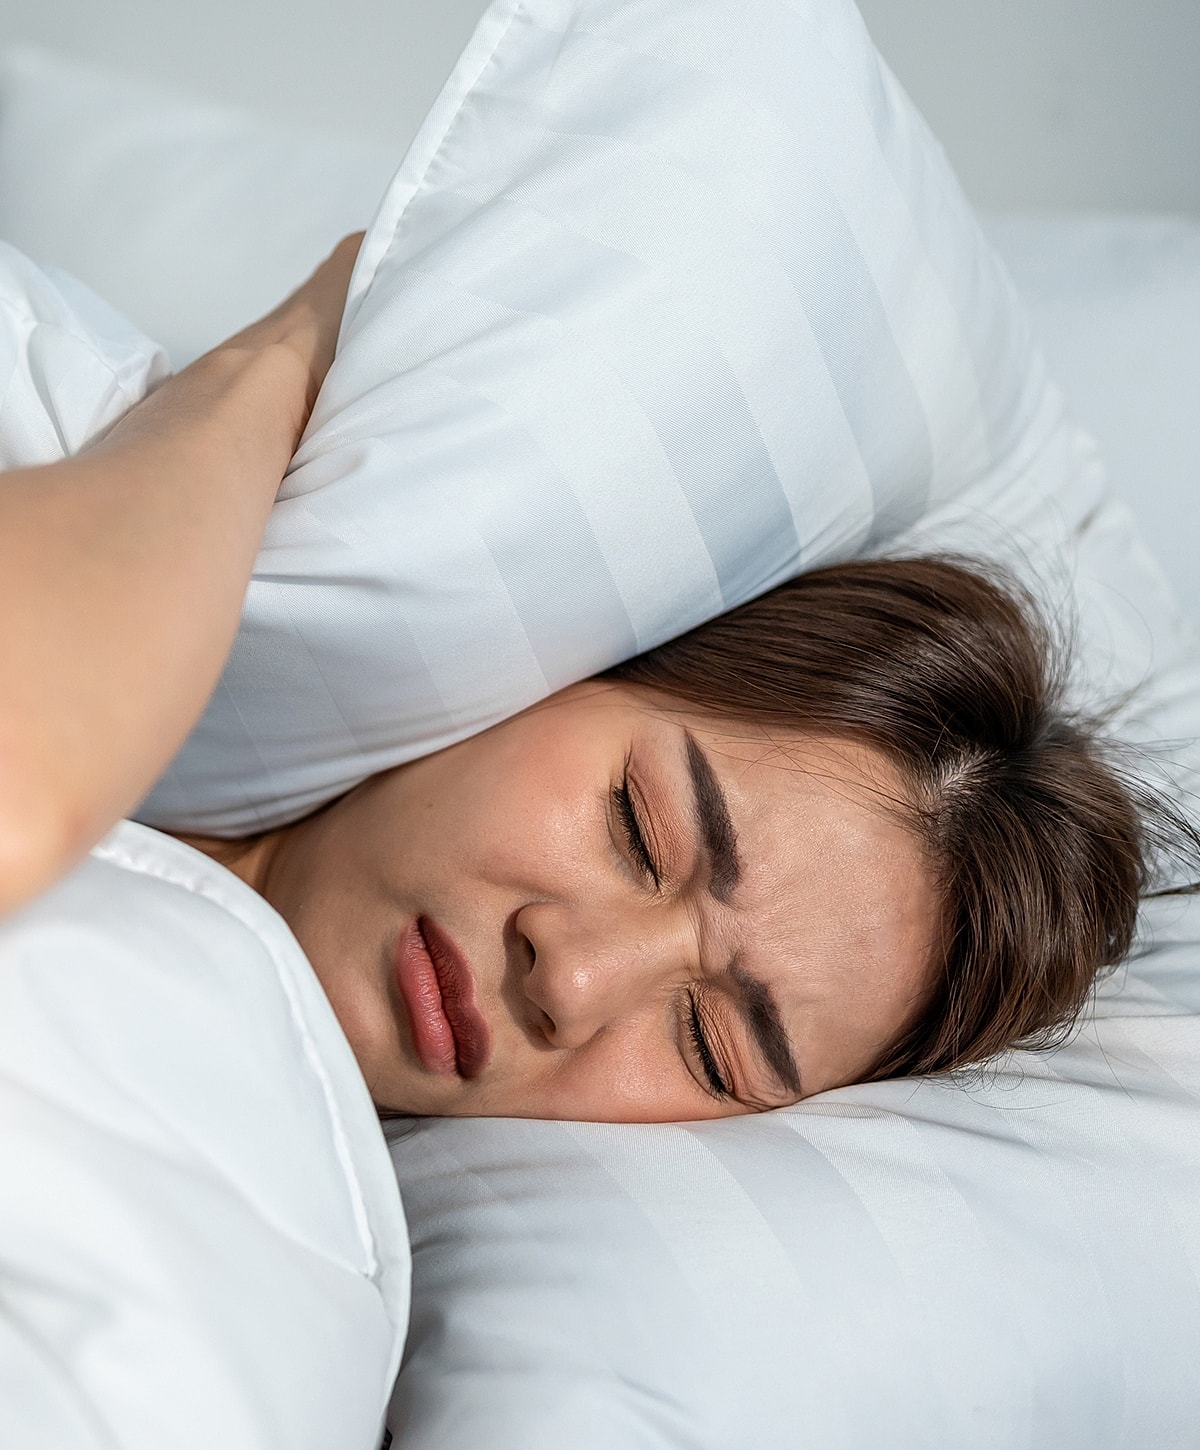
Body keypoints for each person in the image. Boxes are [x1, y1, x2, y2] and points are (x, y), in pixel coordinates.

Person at [1, 238, 1193, 1123]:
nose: (570, 978)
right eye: (637, 826)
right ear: (571, 655)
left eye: (711, 1045)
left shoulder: (281, 1261)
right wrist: (275, 364)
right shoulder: (49, 406)